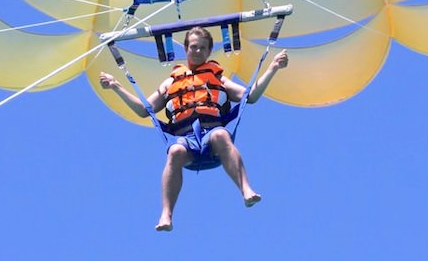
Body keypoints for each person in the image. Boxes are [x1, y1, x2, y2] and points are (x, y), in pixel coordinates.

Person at [99, 26, 289, 232]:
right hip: (185, 141)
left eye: (202, 48)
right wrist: (116, 86)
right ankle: (166, 214)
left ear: (208, 52)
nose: (197, 51)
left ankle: (246, 189)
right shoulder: (172, 81)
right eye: (194, 47)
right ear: (186, 49)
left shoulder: (218, 78)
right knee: (174, 151)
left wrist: (273, 68)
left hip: (213, 138)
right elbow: (144, 110)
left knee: (220, 135)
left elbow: (250, 96)